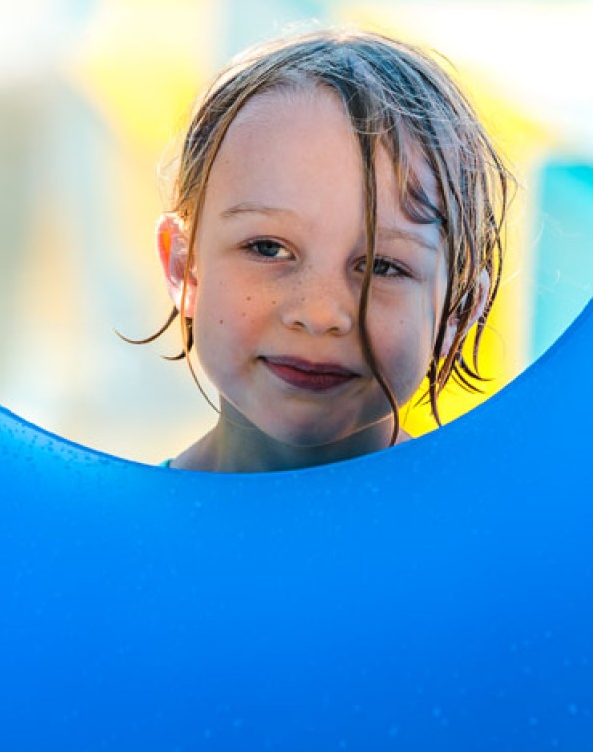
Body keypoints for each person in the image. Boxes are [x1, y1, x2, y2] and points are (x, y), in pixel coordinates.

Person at [142, 28, 512, 472]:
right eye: (268, 248)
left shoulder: (492, 533)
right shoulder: (112, 535)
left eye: (381, 265)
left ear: (459, 309)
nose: (319, 315)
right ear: (186, 267)